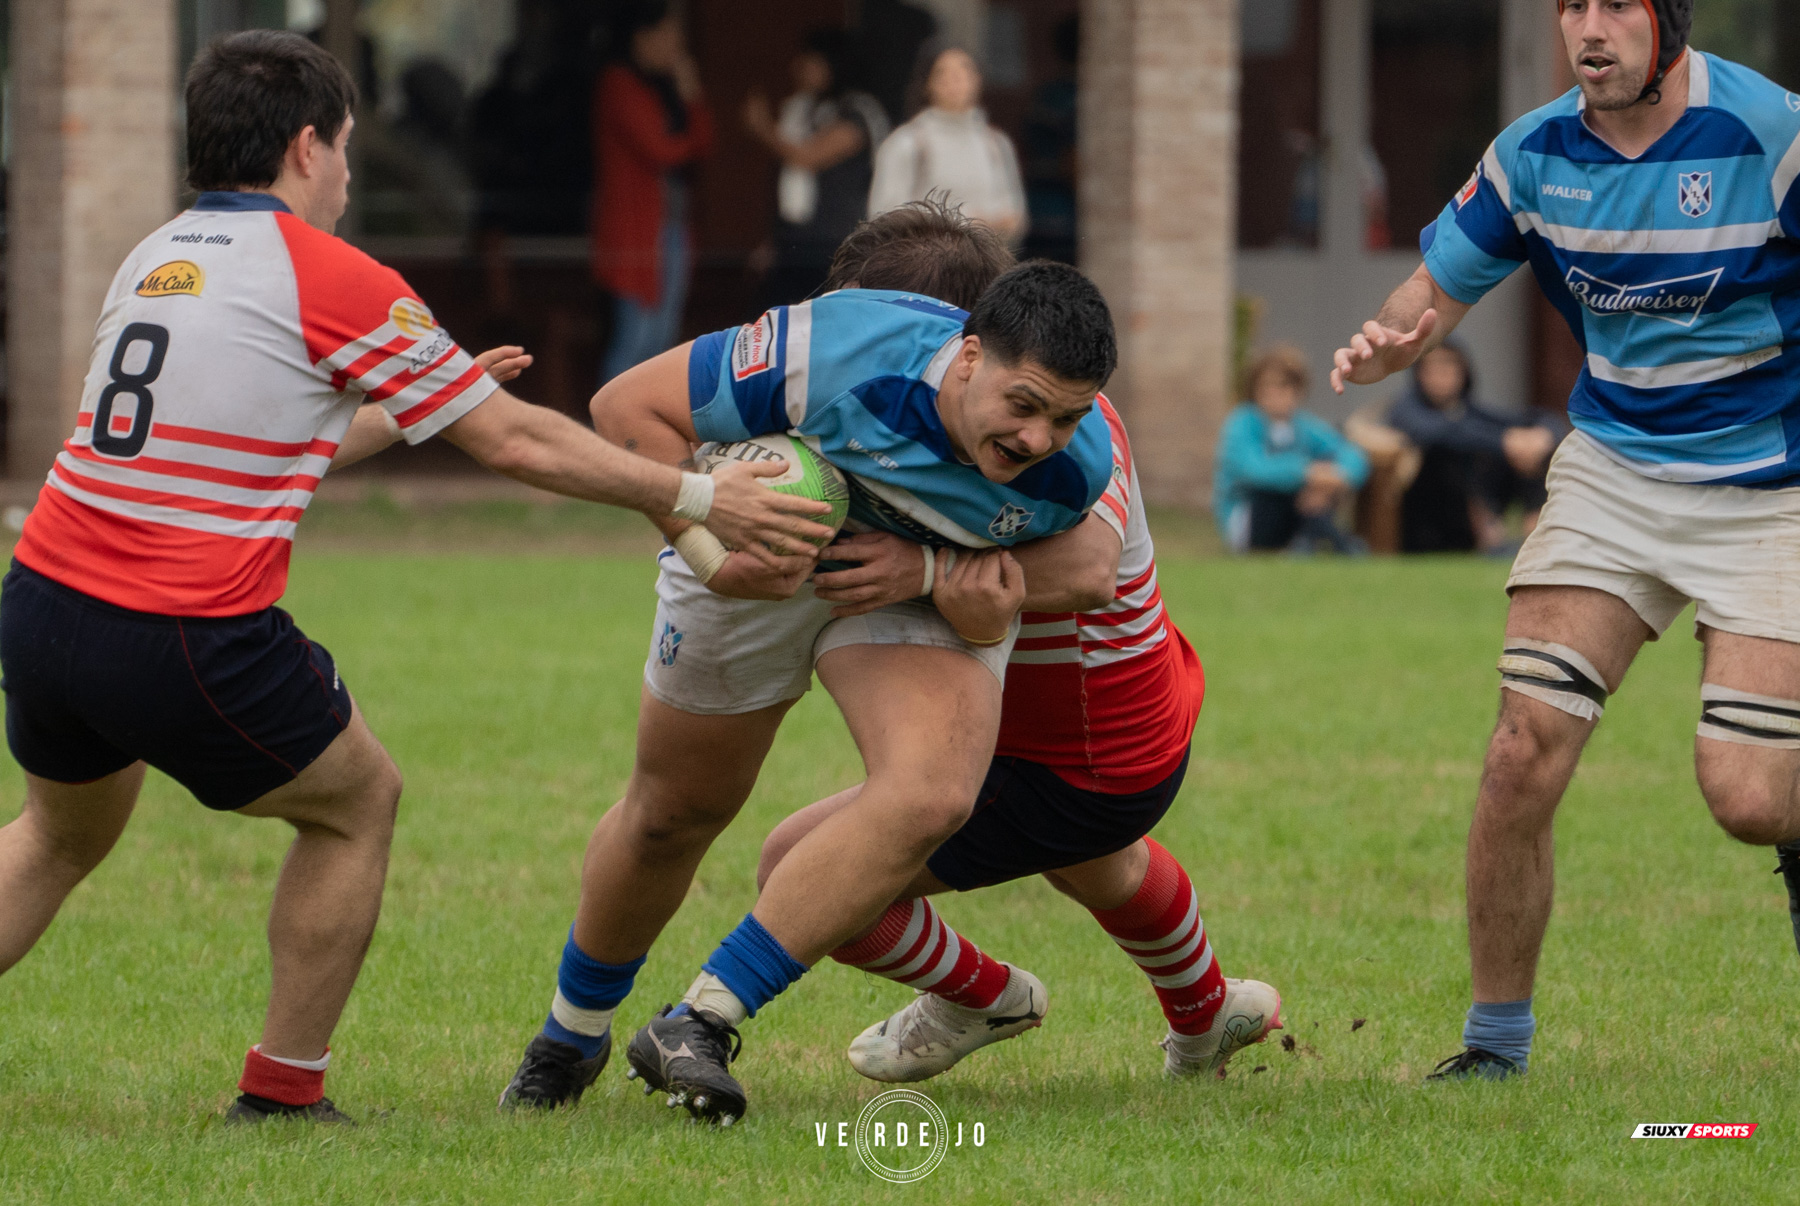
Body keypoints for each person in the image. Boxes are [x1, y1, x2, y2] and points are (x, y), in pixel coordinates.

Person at [0, 30, 828, 1126]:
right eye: (343, 149)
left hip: (44, 605)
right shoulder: (328, 271)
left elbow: (252, 440)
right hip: (180, 625)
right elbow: (523, 446)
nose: (347, 173)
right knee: (356, 803)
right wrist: (699, 497)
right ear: (308, 146)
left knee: (55, 838)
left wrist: (423, 406)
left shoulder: (156, 253)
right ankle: (284, 1095)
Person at [497, 258, 1121, 1126]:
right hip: (753, 547)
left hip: (905, 584)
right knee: (674, 813)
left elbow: (1093, 566)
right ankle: (571, 1035)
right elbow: (623, 409)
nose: (1039, 440)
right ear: (970, 356)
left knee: (933, 790)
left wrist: (932, 567)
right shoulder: (833, 349)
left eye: (1066, 417)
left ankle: (702, 1021)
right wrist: (714, 546)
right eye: (1024, 406)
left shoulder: (1080, 453)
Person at [1331, 0, 1800, 1081]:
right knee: (1518, 756)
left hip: (1772, 484)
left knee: (1747, 800)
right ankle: (1495, 1051)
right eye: (1571, 7)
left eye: (1614, 7)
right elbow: (1434, 292)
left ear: (1667, 24)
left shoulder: (1768, 133)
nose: (1588, 30)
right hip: (1618, 471)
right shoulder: (1534, 154)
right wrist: (1393, 339)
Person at [749, 214, 1279, 1083]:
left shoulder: (1059, 428)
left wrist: (917, 567)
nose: (855, 347)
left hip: (1085, 741)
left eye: (869, 321)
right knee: (1097, 864)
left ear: (960, 338)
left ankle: (982, 995)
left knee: (800, 873)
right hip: (1112, 725)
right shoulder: (914, 422)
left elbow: (1088, 567)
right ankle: (1207, 1013)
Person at [592, 2, 713, 383]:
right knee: (636, 340)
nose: (677, 47)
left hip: (670, 229)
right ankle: (602, 437)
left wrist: (691, 97)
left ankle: (640, 438)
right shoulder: (619, 83)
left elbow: (704, 144)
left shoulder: (665, 87)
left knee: (661, 342)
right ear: (642, 37)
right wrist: (691, 110)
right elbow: (662, 149)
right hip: (637, 232)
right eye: (670, 36)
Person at [742, 28, 890, 306]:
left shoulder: (858, 111)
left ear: (832, 64)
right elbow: (788, 182)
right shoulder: (803, 108)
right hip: (795, 243)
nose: (799, 69)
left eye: (809, 62)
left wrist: (763, 128)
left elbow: (807, 157)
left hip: (835, 243)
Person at [1387, 342, 1563, 554]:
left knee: (1530, 451)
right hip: (1428, 521)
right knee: (1449, 453)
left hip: (1480, 501)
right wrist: (1504, 442)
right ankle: (1488, 536)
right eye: (1433, 367)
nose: (1442, 374)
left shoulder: (1469, 410)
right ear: (1419, 374)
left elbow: (1538, 419)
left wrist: (1541, 436)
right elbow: (1439, 433)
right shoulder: (1406, 410)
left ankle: (1535, 532)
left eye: (1450, 366)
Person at [1215, 345, 1368, 553]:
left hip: (1298, 510)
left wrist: (1337, 478)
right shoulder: (1241, 422)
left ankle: (1313, 544)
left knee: (1317, 491)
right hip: (1251, 517)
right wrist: (1308, 473)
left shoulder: (1303, 425)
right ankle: (1336, 542)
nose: (1274, 394)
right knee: (1280, 491)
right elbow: (1255, 470)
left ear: (1298, 391)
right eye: (1267, 386)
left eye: (1283, 386)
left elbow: (1352, 454)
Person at [868, 48, 1027, 244]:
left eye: (963, 72)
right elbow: (883, 216)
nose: (955, 82)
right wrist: (964, 223)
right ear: (928, 83)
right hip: (927, 267)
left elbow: (1015, 213)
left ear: (978, 80)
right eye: (943, 73)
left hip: (987, 265)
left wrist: (1000, 223)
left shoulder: (995, 143)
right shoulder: (908, 142)